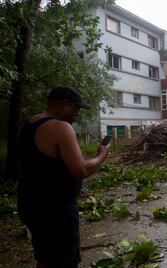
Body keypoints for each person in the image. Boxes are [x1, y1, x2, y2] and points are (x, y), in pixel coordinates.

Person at [17, 86, 110, 268]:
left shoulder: (27, 125)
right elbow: (80, 170)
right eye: (77, 109)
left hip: (30, 204)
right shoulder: (61, 128)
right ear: (66, 105)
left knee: (44, 257)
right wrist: (101, 155)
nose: (78, 114)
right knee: (64, 261)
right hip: (55, 210)